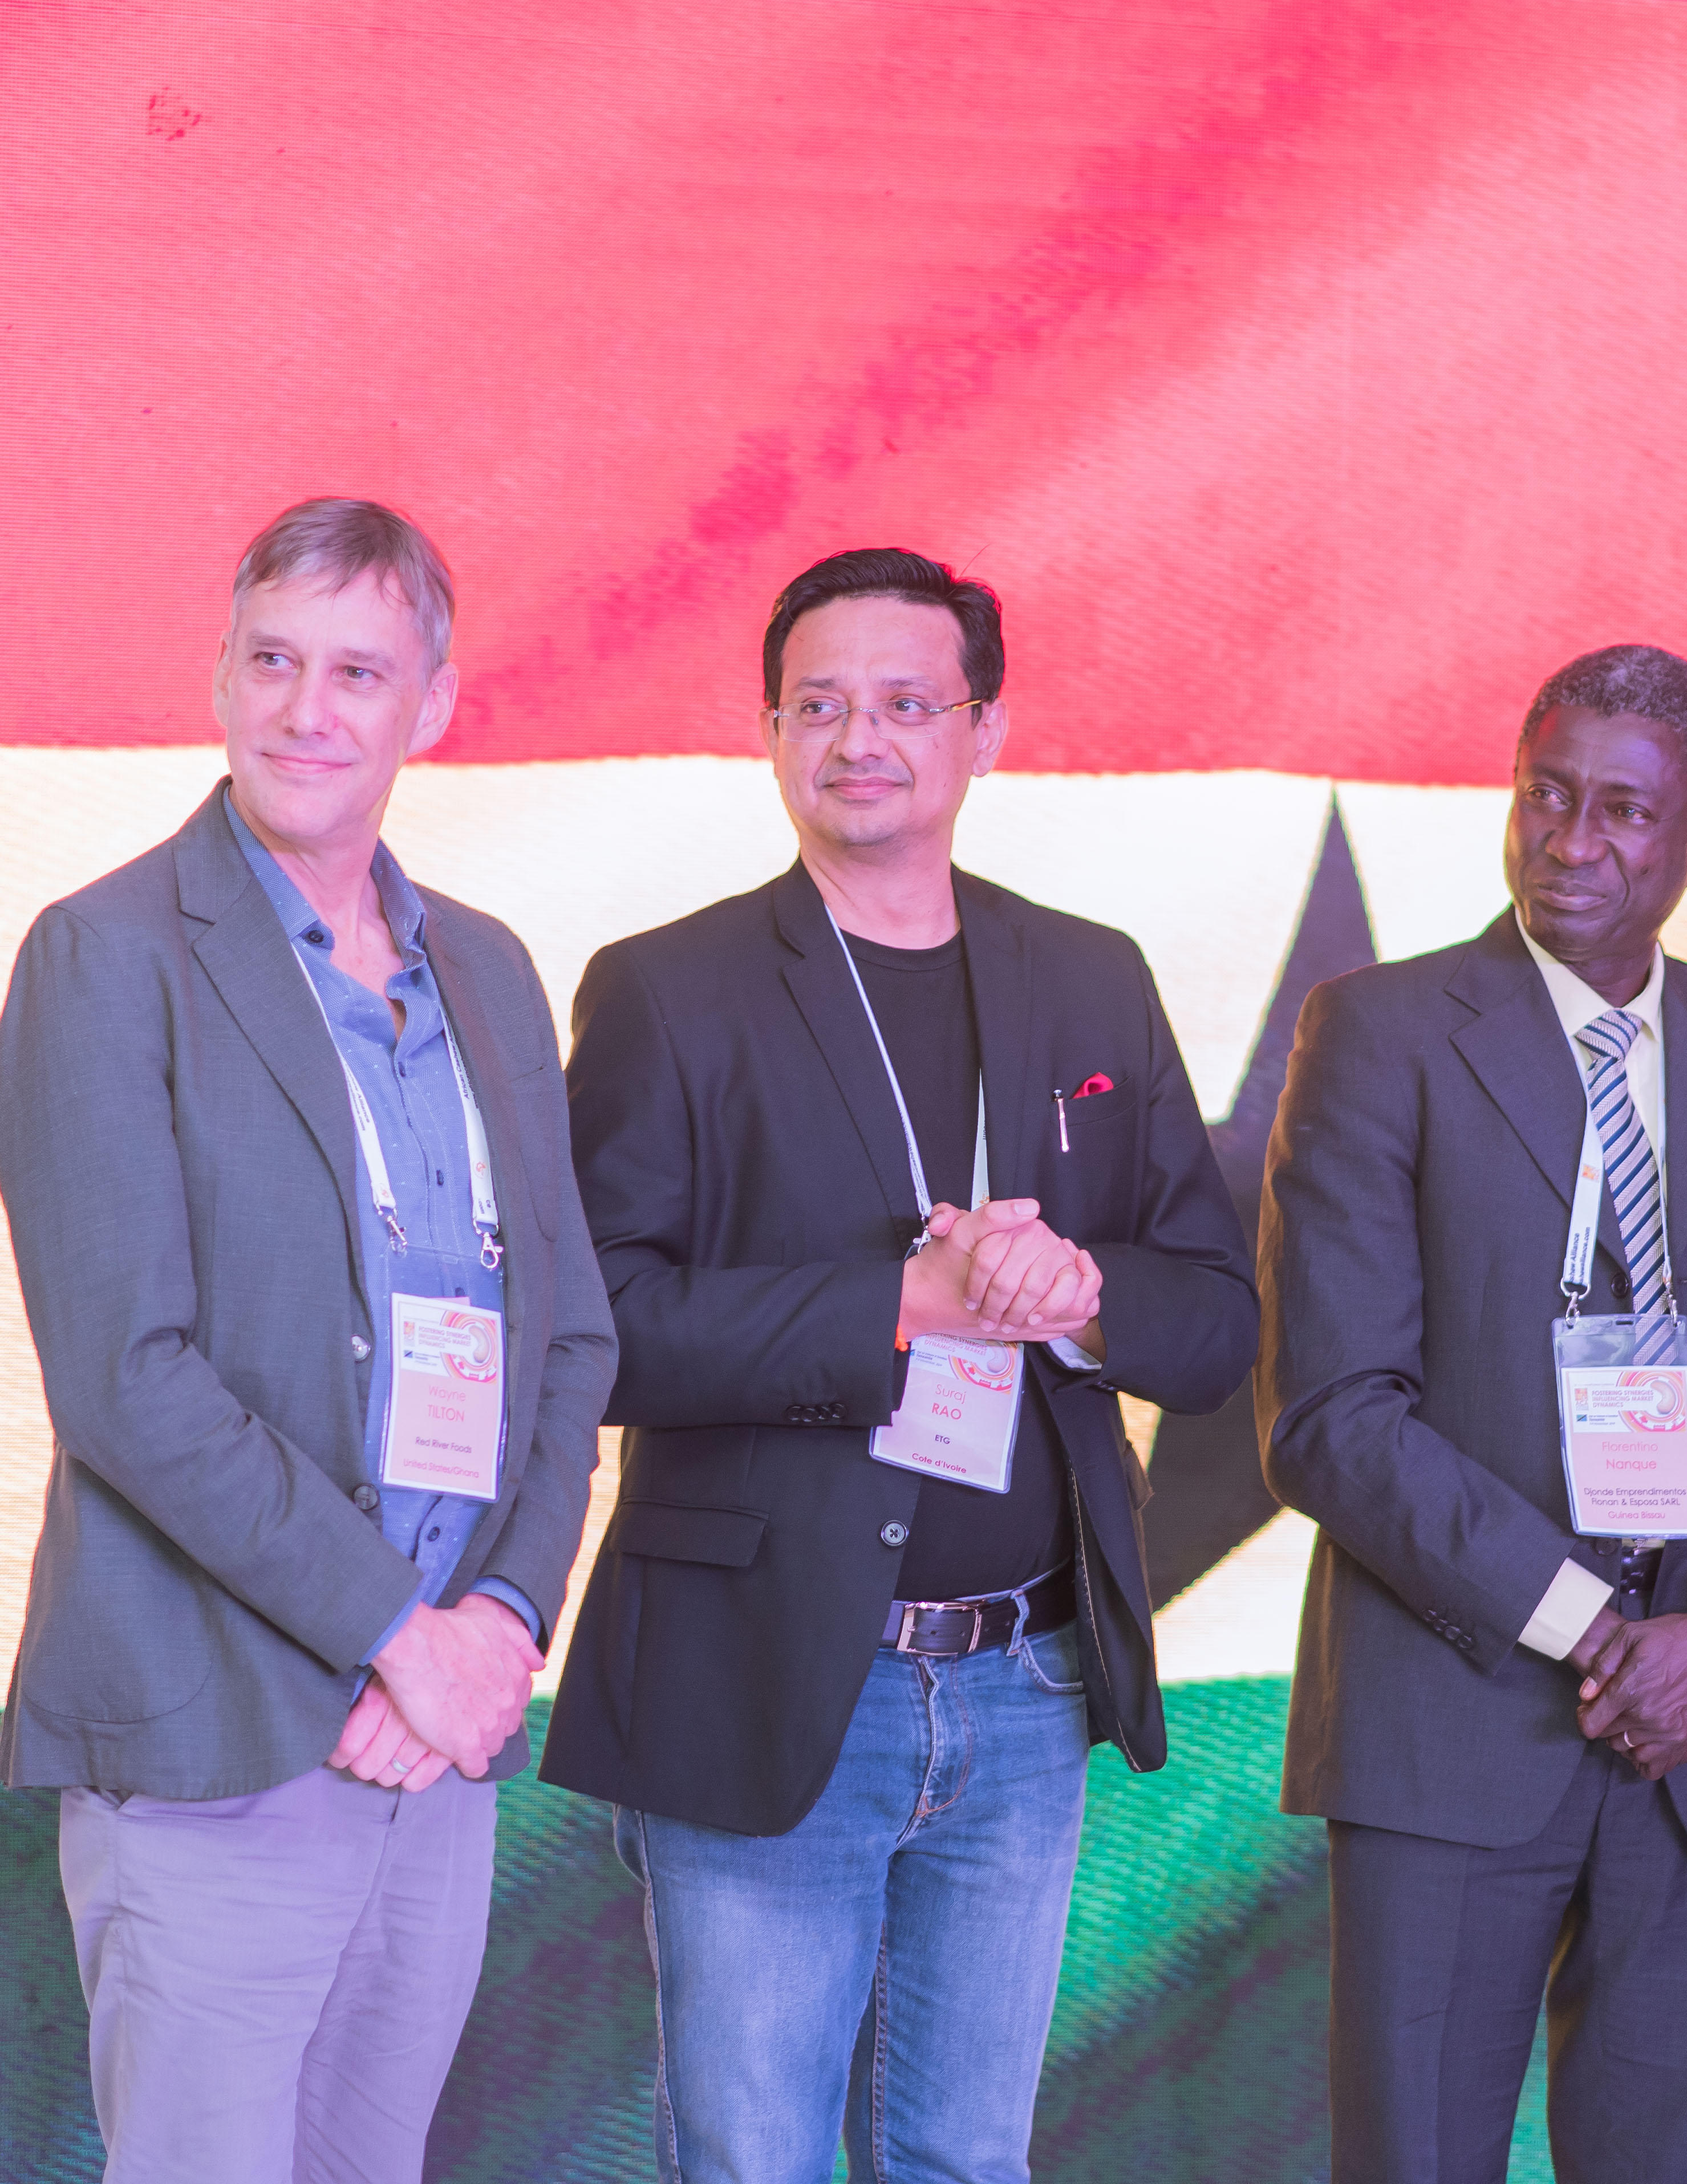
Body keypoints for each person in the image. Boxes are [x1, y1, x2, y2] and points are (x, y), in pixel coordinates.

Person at [539, 547, 1256, 2184]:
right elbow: (603, 1328)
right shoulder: (670, 989)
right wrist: (897, 1305)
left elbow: (1215, 1322)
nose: (859, 739)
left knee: (967, 2160)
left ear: (984, 731)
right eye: (818, 705)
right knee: (754, 2159)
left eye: (907, 704)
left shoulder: (1089, 975)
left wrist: (1080, 1295)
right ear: (770, 734)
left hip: (1025, 1681)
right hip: (764, 1666)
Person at [0, 498, 613, 2184]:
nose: (304, 710)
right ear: (219, 676)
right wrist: (395, 1631)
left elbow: (568, 1344)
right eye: (270, 661)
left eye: (355, 671)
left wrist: (493, 1624)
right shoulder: (104, 958)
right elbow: (125, 1378)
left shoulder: (489, 971)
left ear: (434, 703)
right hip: (220, 1732)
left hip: (437, 1739)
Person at [1256, 644, 1687, 2182]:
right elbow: (1331, 1412)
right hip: (1451, 1720)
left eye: (1622, 811)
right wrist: (1600, 1634)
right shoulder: (1378, 1032)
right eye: (1544, 793)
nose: (1569, 841)